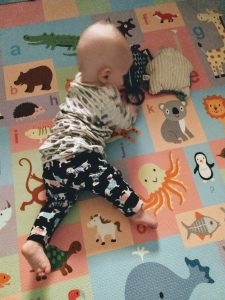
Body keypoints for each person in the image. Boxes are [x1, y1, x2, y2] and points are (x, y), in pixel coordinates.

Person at [22, 21, 158, 279]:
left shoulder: (77, 82)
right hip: (79, 154)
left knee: (56, 203)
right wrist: (129, 110)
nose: (123, 81)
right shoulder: (107, 96)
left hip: (52, 161)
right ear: (106, 76)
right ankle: (136, 211)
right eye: (122, 75)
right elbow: (124, 123)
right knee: (110, 179)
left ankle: (36, 241)